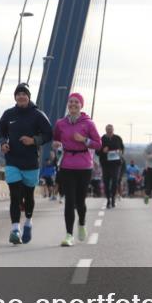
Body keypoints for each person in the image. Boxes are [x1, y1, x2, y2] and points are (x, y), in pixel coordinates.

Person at [0, 83, 52, 245]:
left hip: (30, 163)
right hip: (12, 161)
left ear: (29, 97)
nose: (21, 96)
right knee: (14, 196)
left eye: (24, 94)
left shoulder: (37, 115)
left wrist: (33, 140)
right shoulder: (8, 114)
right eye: (18, 94)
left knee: (28, 196)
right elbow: (1, 130)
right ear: (15, 97)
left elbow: (48, 134)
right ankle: (15, 229)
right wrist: (3, 143)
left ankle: (28, 222)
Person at [52, 93, 102, 246]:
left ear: (81, 105)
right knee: (69, 201)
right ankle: (68, 235)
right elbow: (56, 138)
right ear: (68, 104)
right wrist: (56, 143)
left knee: (80, 201)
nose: (73, 104)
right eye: (71, 101)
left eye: (76, 102)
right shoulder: (60, 123)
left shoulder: (88, 124)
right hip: (67, 165)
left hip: (84, 166)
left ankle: (82, 222)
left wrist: (84, 140)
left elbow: (98, 144)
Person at [98, 124, 124, 208]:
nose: (109, 131)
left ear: (113, 130)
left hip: (115, 164)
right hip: (105, 164)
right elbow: (97, 152)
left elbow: (122, 149)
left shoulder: (118, 138)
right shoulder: (102, 139)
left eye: (111, 130)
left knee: (115, 182)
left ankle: (113, 198)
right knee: (106, 182)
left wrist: (120, 152)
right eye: (108, 130)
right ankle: (108, 199)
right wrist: (102, 150)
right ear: (106, 130)